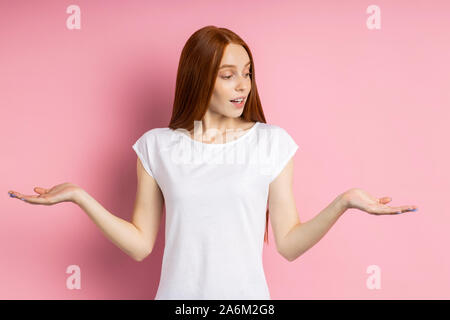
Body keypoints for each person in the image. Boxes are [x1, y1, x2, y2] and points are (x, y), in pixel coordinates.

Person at [7, 25, 418, 300]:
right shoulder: (157, 147)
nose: (243, 85)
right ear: (199, 78)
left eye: (248, 72)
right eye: (228, 75)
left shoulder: (271, 143)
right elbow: (140, 245)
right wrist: (81, 197)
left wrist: (344, 201)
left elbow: (288, 243)